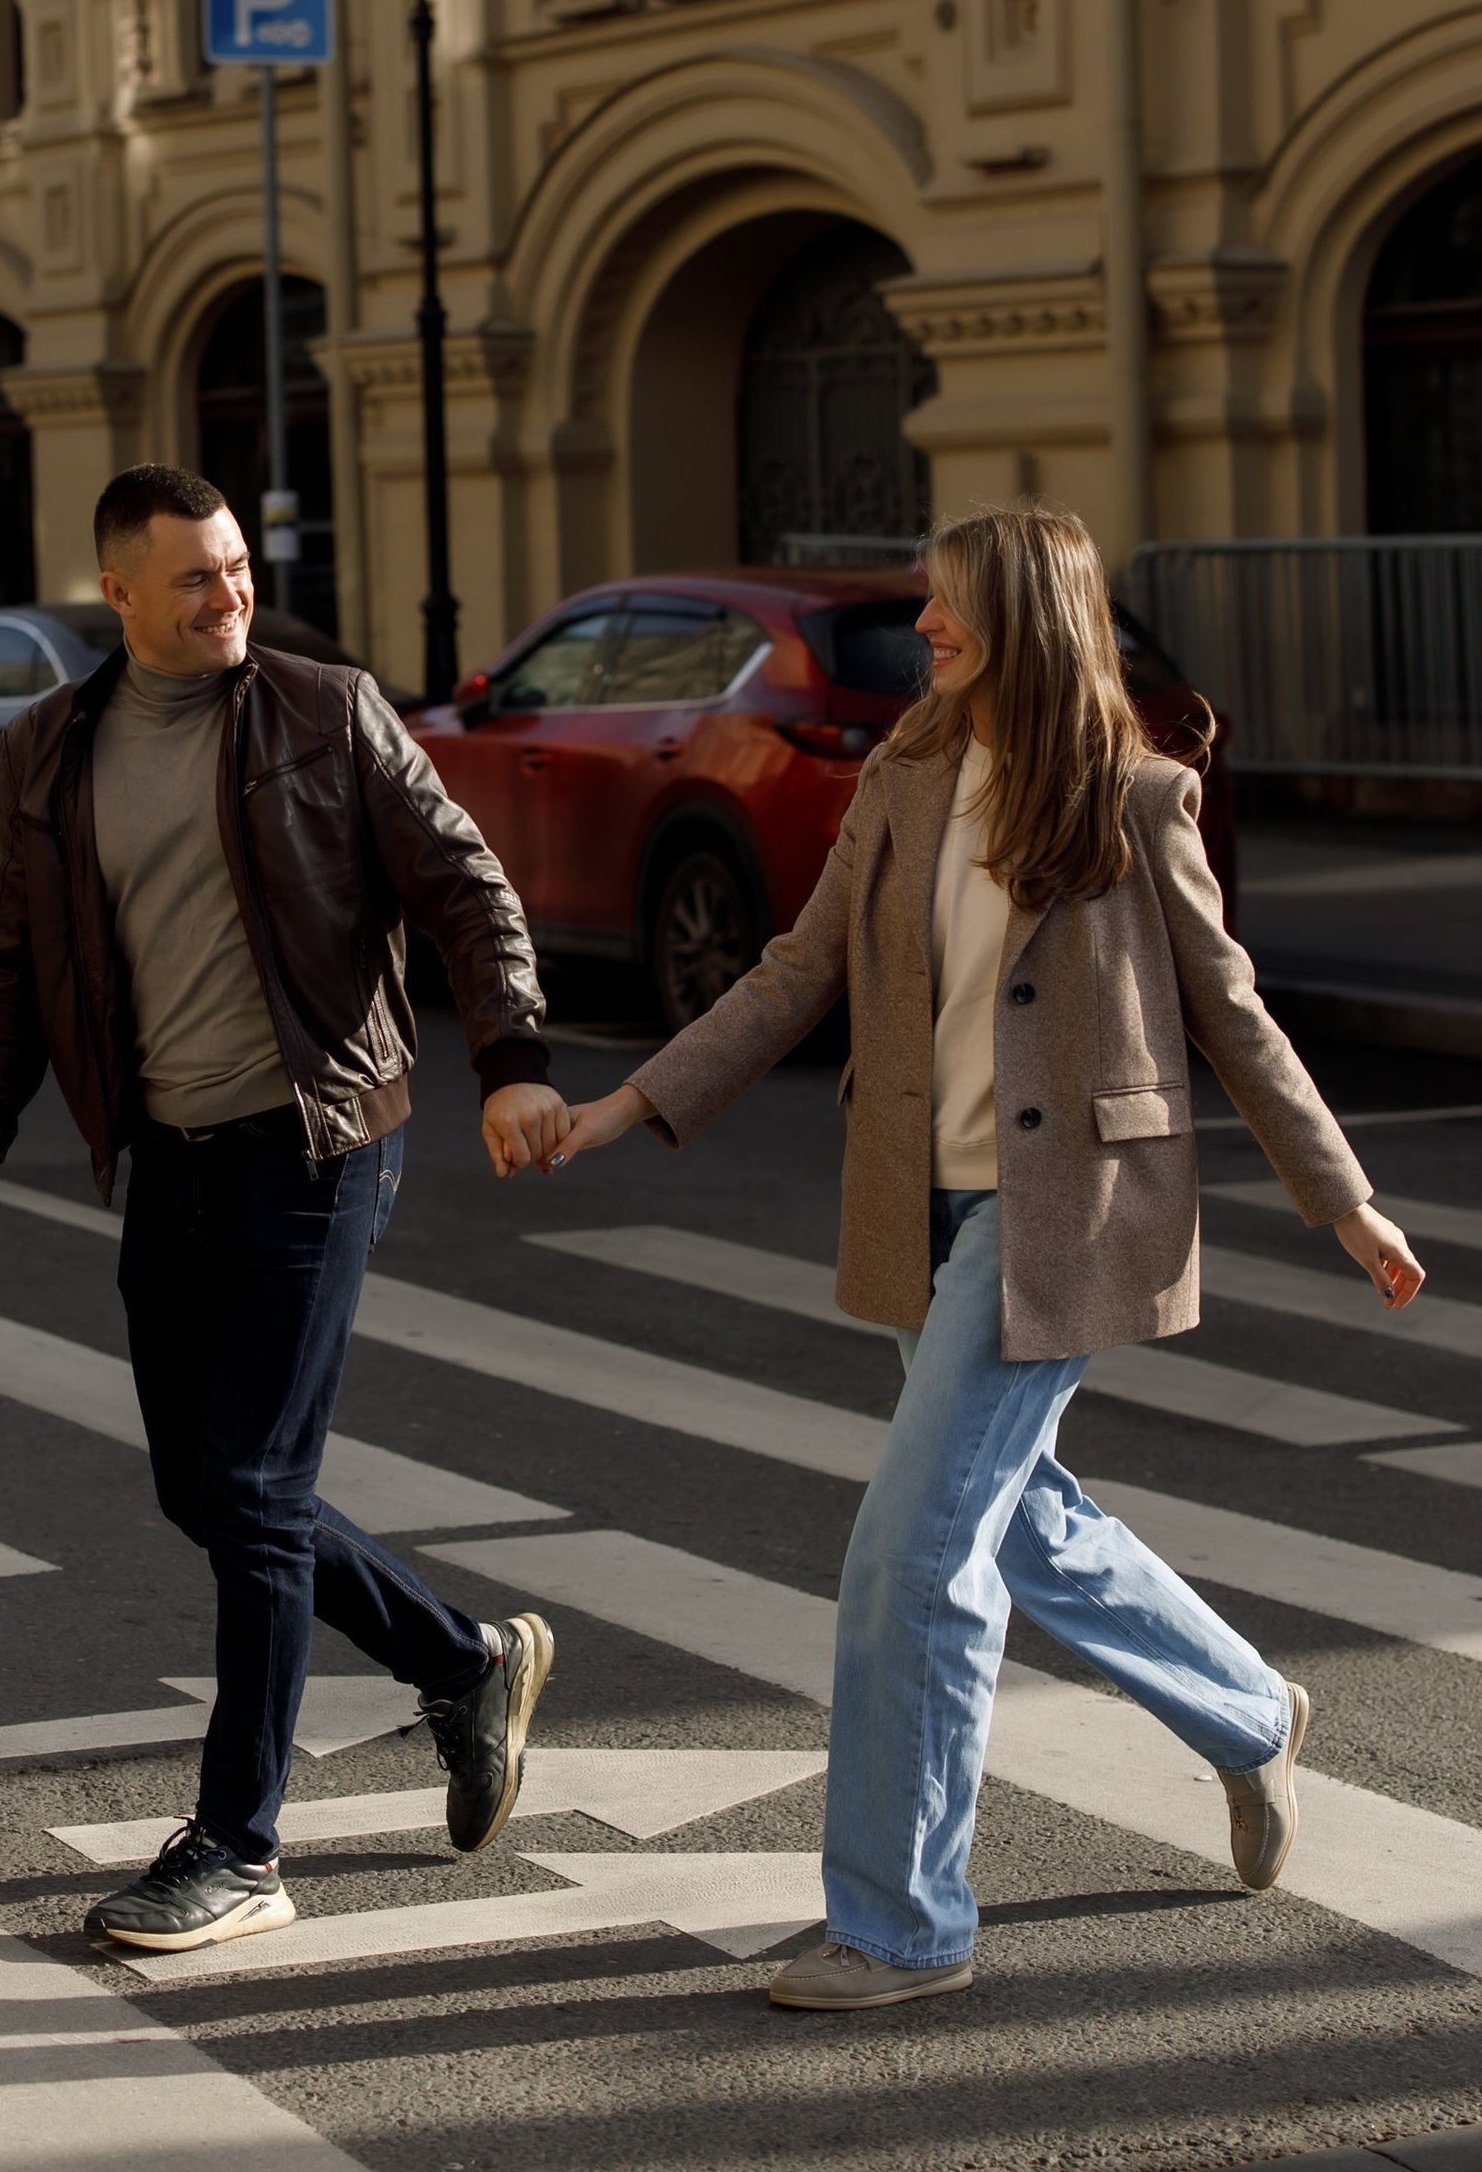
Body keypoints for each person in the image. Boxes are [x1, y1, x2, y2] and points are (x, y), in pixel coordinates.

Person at [525, 501, 1429, 2016]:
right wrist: (630, 1101)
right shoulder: (905, 772)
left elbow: (1234, 1013)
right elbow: (798, 967)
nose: (925, 629)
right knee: (1023, 1525)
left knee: (915, 1553)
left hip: (1063, 1210)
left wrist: (1346, 1203)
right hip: (921, 1203)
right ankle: (1252, 1710)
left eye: (950, 609)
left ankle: (900, 1925)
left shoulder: (1136, 798)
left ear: (1026, 621)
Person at [0, 462, 570, 1954]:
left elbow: (466, 888)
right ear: (123, 597)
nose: (232, 596)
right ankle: (462, 1661)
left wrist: (514, 1057)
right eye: (198, 579)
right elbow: (10, 969)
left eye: (238, 570)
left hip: (319, 1143)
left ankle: (239, 1844)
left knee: (260, 1495)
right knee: (202, 1491)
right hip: (170, 1158)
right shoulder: (49, 751)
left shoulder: (326, 713)